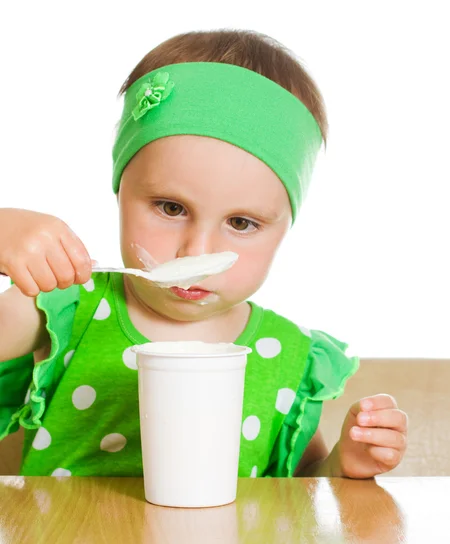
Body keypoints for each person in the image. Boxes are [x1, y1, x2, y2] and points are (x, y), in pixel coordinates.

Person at [0, 30, 408, 478]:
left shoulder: (287, 357)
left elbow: (300, 491)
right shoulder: (62, 307)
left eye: (241, 223)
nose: (197, 250)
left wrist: (344, 466)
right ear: (120, 193)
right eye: (171, 208)